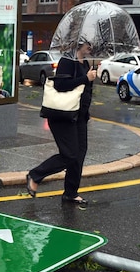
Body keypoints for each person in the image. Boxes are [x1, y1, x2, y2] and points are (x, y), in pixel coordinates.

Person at [26, 39, 97, 206]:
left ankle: (71, 193)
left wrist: (90, 78)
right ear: (80, 44)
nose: (91, 47)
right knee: (70, 154)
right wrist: (85, 78)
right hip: (63, 116)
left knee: (79, 154)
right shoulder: (67, 61)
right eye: (89, 44)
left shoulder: (85, 63)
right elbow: (60, 84)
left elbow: (84, 90)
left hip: (79, 116)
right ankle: (35, 175)